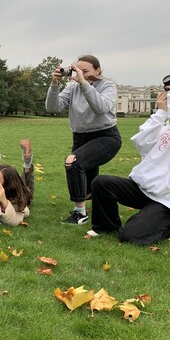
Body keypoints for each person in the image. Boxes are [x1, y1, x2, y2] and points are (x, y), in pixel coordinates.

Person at [87, 79, 170, 245]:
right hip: (143, 188)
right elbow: (141, 142)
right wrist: (161, 113)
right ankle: (106, 226)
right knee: (102, 183)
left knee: (130, 236)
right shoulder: (167, 124)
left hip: (166, 198)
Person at [45, 55, 122, 225]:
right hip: (80, 137)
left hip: (106, 136)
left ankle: (80, 213)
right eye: (77, 70)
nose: (81, 74)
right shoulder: (73, 88)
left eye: (85, 71)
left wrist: (84, 84)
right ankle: (99, 207)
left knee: (73, 162)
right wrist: (54, 84)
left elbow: (100, 107)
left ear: (98, 70)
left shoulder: (107, 85)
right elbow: (52, 107)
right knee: (89, 184)